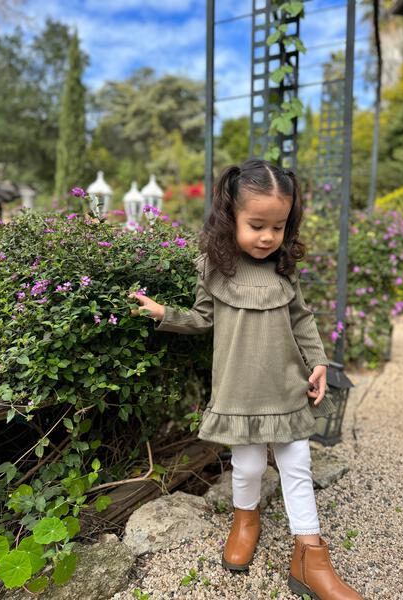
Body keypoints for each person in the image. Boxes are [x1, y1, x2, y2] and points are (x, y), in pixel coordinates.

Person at [129, 159, 364, 599]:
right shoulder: (215, 268)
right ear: (229, 217)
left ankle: (310, 555)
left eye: (278, 227)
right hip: (240, 389)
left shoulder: (283, 269)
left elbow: (303, 319)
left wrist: (317, 361)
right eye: (256, 224)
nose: (267, 237)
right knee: (250, 464)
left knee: (296, 464)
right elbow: (202, 318)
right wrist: (164, 314)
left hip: (286, 386)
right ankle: (245, 520)